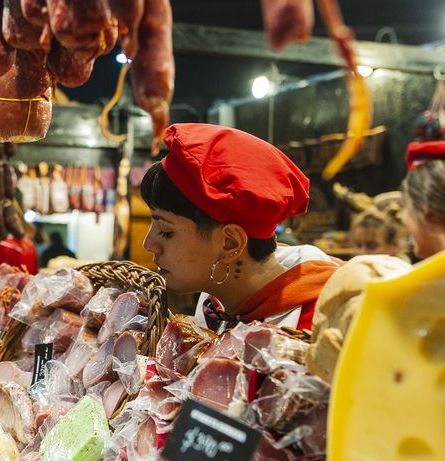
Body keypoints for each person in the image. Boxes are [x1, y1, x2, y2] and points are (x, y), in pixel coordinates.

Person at [140, 124, 341, 332]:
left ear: (230, 243)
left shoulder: (325, 323)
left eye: (165, 231)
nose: (148, 244)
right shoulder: (216, 304)